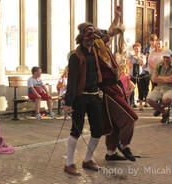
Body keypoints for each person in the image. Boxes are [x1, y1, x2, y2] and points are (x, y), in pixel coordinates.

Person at [94, 6, 139, 162]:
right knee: (130, 118)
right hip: (107, 91)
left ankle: (111, 153)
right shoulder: (95, 50)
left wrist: (117, 17)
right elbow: (110, 32)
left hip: (115, 87)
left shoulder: (104, 49)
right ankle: (123, 144)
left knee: (113, 123)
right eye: (105, 38)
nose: (109, 39)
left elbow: (111, 30)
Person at [63, 22, 103, 176]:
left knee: (98, 130)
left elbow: (109, 34)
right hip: (80, 98)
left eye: (93, 38)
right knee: (76, 130)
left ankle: (87, 160)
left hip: (94, 97)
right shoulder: (75, 56)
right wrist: (68, 104)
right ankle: (69, 163)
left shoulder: (95, 51)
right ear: (82, 38)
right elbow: (71, 81)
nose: (91, 41)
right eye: (88, 37)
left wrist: (117, 20)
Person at [146, 49, 172, 123]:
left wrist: (160, 78)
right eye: (164, 57)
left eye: (167, 57)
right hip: (159, 87)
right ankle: (164, 112)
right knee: (149, 99)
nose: (165, 59)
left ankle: (160, 109)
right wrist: (167, 79)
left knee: (166, 99)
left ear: (171, 57)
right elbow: (153, 79)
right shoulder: (159, 64)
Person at [127, 42, 147, 109]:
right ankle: (132, 103)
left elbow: (143, 63)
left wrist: (138, 57)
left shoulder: (143, 56)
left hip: (140, 75)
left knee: (140, 89)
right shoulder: (131, 56)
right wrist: (137, 64)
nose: (136, 50)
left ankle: (141, 104)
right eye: (135, 49)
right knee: (132, 88)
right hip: (132, 75)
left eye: (137, 48)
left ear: (140, 49)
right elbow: (129, 65)